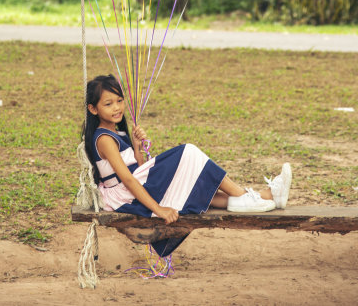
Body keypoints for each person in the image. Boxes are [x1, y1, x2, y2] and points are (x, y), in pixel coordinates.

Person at [83, 74, 292, 257]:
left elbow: (136, 169)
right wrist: (159, 209)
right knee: (189, 152)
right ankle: (245, 197)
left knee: (196, 190)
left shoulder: (116, 133)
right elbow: (128, 179)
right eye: (108, 104)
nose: (117, 107)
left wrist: (137, 149)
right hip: (125, 196)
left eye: (119, 100)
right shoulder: (104, 139)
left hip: (132, 188)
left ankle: (268, 197)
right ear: (93, 109)